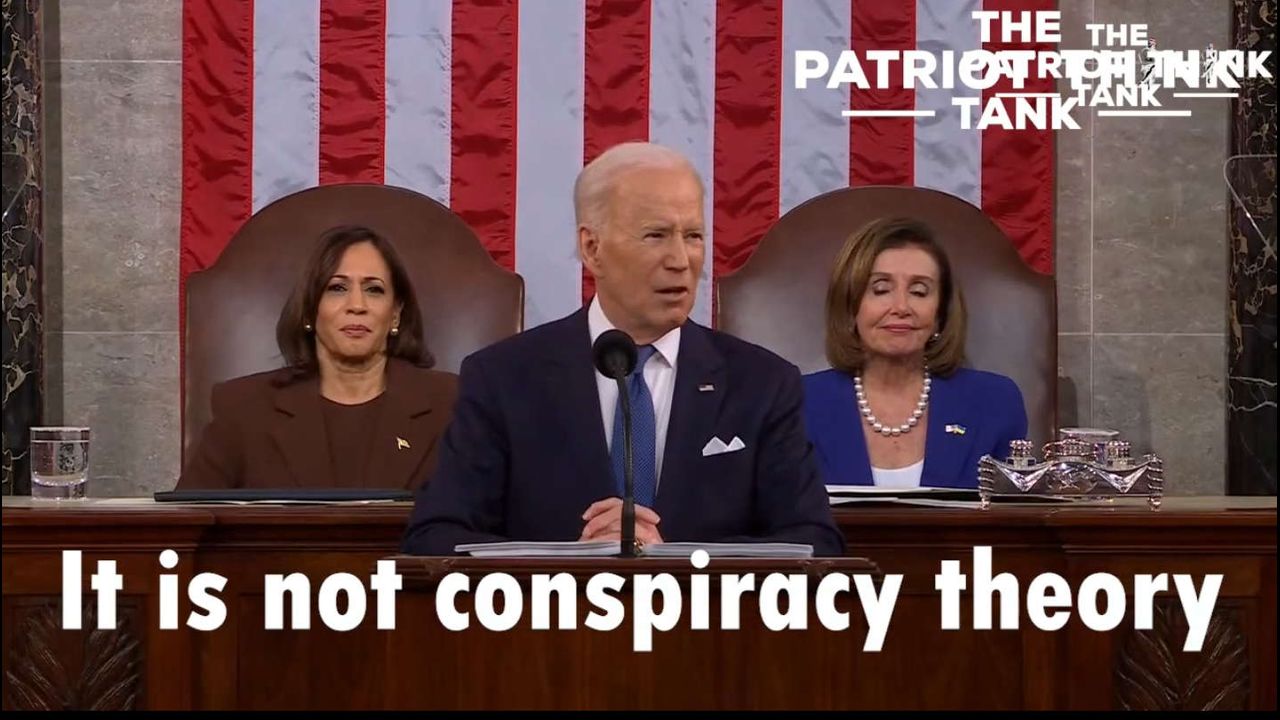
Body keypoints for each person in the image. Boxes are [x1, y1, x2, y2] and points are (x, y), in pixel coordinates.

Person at [401, 142, 844, 556]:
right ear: (592, 248)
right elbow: (435, 537)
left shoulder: (762, 384)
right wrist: (570, 560)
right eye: (656, 236)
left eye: (693, 236)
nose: (681, 260)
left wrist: (675, 556)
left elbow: (816, 542)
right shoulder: (503, 378)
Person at [176, 225, 458, 490]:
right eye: (337, 288)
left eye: (374, 289)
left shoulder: (453, 404)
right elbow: (189, 518)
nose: (357, 305)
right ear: (310, 310)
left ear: (395, 314)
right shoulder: (244, 408)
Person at [802, 217, 1027, 490]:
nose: (901, 307)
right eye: (881, 290)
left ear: (940, 313)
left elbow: (1017, 512)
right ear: (850, 307)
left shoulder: (995, 402)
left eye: (919, 292)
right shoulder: (799, 403)